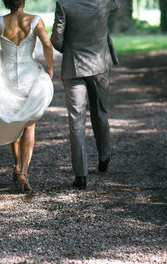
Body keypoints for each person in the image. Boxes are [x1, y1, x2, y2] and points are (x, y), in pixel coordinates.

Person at [0, 0, 54, 192]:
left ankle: (17, 164)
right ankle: (23, 171)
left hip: (6, 76)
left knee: (12, 119)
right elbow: (47, 44)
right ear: (23, 1)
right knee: (29, 125)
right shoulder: (35, 21)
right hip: (29, 76)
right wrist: (50, 67)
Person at [51, 0, 120, 190]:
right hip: (100, 65)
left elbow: (56, 39)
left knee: (76, 121)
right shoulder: (104, 2)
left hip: (74, 66)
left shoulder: (64, 4)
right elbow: (117, 5)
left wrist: (71, 49)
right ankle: (104, 158)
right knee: (100, 112)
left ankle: (81, 176)